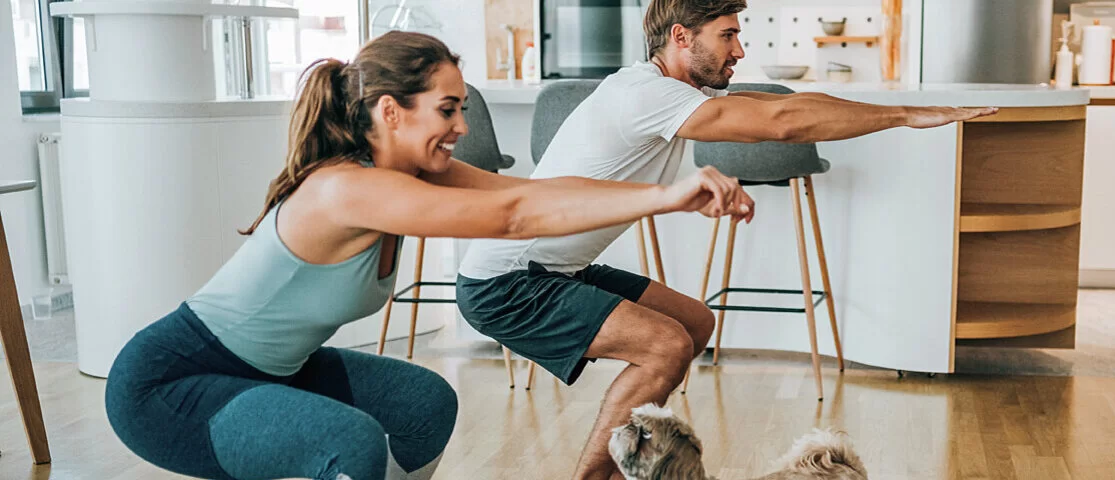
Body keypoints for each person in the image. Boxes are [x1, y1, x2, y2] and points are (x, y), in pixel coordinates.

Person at [103, 31, 752, 480]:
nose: (462, 127)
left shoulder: (411, 175)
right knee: (349, 442)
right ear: (392, 111)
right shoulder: (345, 188)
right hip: (170, 384)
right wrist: (667, 196)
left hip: (273, 371)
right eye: (447, 109)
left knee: (424, 403)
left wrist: (668, 192)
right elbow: (514, 217)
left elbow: (533, 194)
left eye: (462, 109)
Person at [453, 0, 999, 478]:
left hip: (552, 270)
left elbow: (777, 107)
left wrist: (899, 112)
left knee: (693, 323)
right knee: (664, 345)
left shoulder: (661, 88)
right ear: (681, 37)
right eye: (728, 34)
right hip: (507, 280)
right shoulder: (647, 94)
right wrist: (907, 114)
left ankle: (623, 472)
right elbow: (785, 121)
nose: (740, 48)